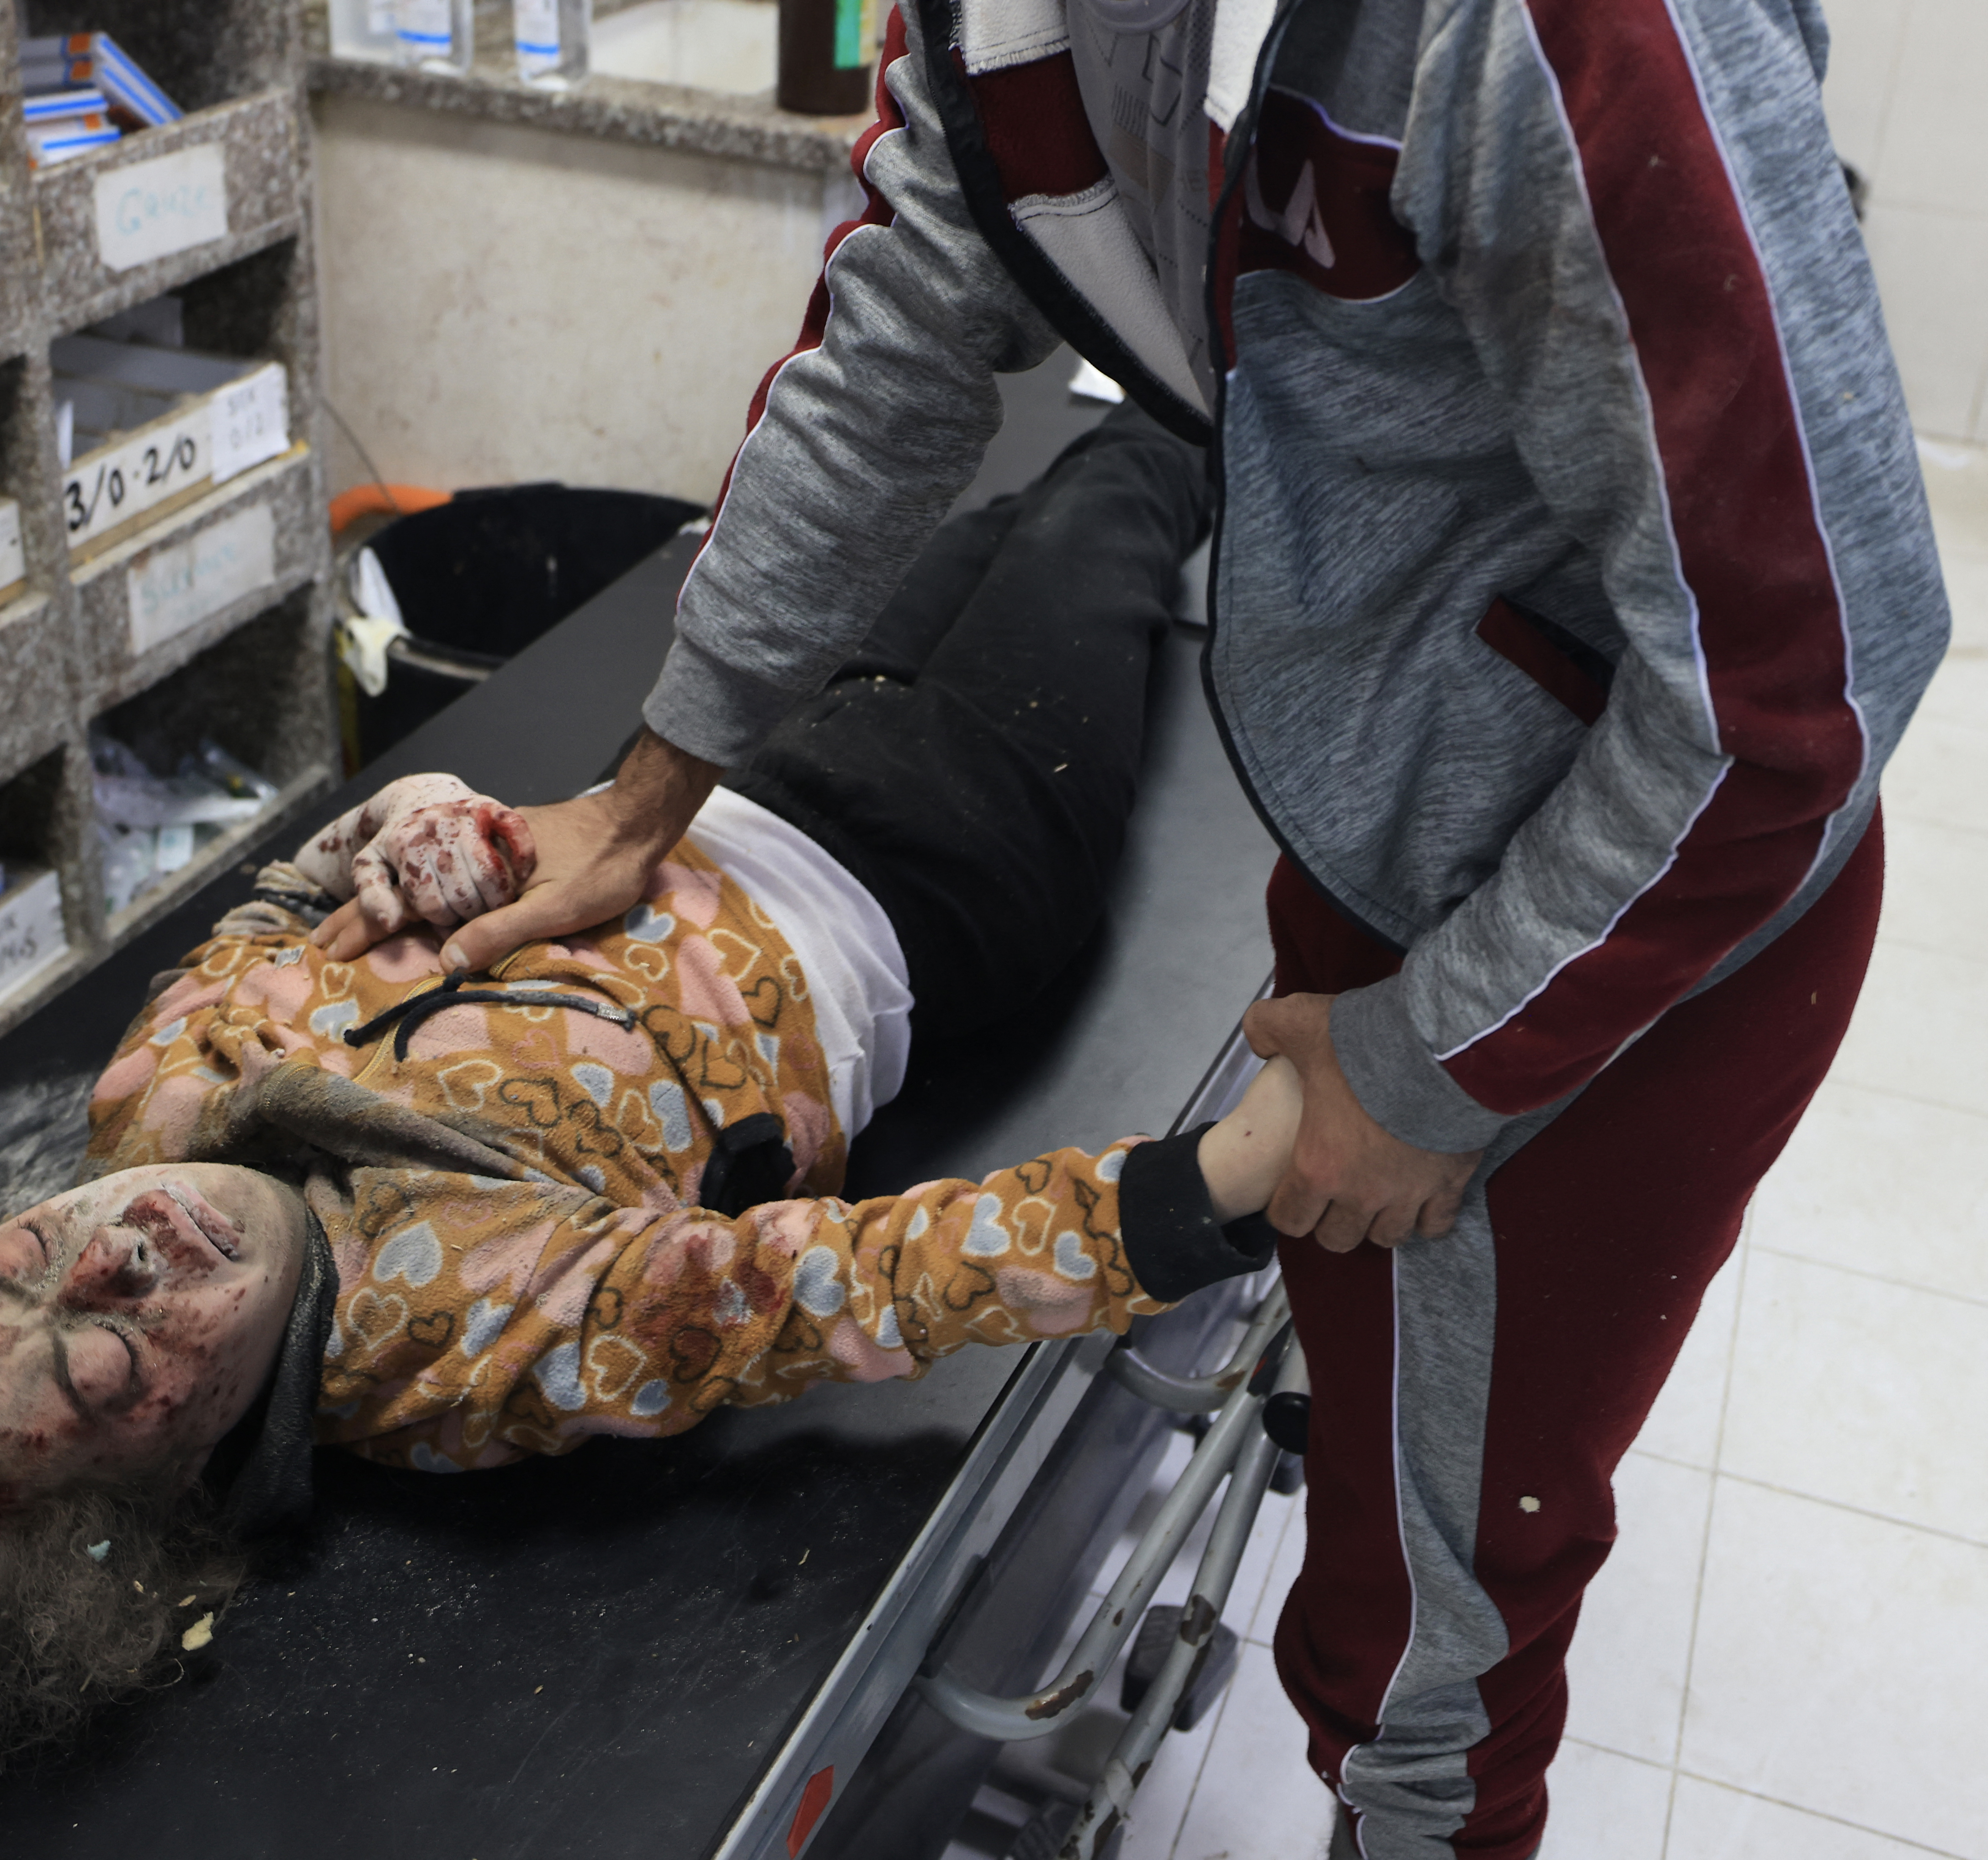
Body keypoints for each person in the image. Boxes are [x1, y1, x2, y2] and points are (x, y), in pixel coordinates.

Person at [336, 5, 1953, 1855]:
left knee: (1439, 1621)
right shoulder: (1004, 15)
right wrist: (641, 801)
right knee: (1389, 1466)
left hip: (1642, 899)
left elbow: (1804, 679)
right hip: (1384, 805)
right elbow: (898, 345)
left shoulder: (1563, 35)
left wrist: (1434, 1070)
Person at [0, 411, 1300, 1781]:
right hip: (937, 852)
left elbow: (283, 905)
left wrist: (405, 827)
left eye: (8, 1273)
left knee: (979, 497)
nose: (108, 1249)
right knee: (1128, 477)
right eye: (104, 1358)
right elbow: (836, 1288)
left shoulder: (153, 1113)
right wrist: (1204, 1192)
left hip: (690, 784)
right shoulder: (456, 1341)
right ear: (163, 1482)